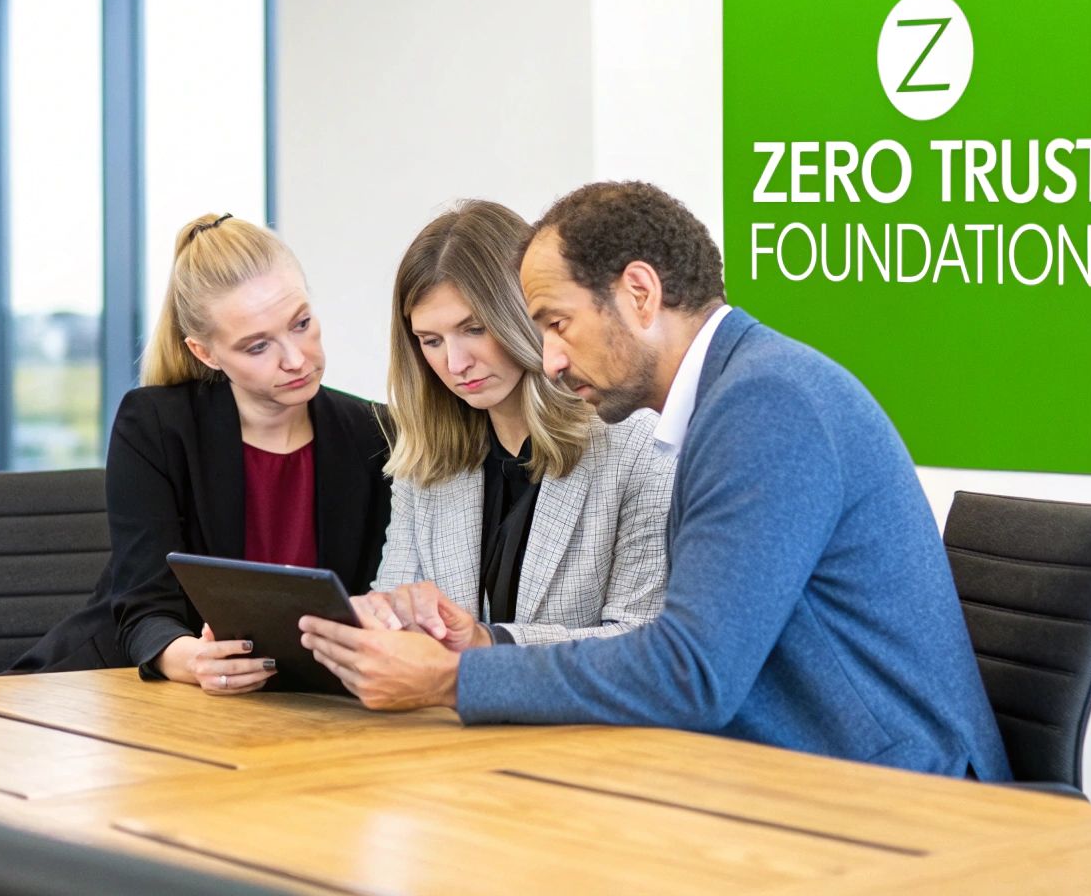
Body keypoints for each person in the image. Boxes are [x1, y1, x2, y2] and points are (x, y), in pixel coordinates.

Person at [300, 182, 1009, 779]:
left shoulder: (767, 404)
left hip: (903, 796)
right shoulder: (739, 393)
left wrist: (454, 677)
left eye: (556, 323)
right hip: (796, 775)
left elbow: (692, 673)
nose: (547, 360)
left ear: (639, 293)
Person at [10, 213, 392, 696]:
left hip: (307, 704)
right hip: (130, 691)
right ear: (205, 353)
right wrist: (192, 659)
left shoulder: (376, 434)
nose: (296, 359)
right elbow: (143, 607)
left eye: (301, 324)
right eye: (257, 347)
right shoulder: (156, 425)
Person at [360, 200, 671, 650]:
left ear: (527, 312)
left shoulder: (637, 442)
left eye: (475, 329)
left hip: (584, 722)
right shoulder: (426, 460)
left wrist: (489, 645)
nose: (455, 363)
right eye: (431, 341)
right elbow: (391, 613)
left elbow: (642, 641)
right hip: (444, 719)